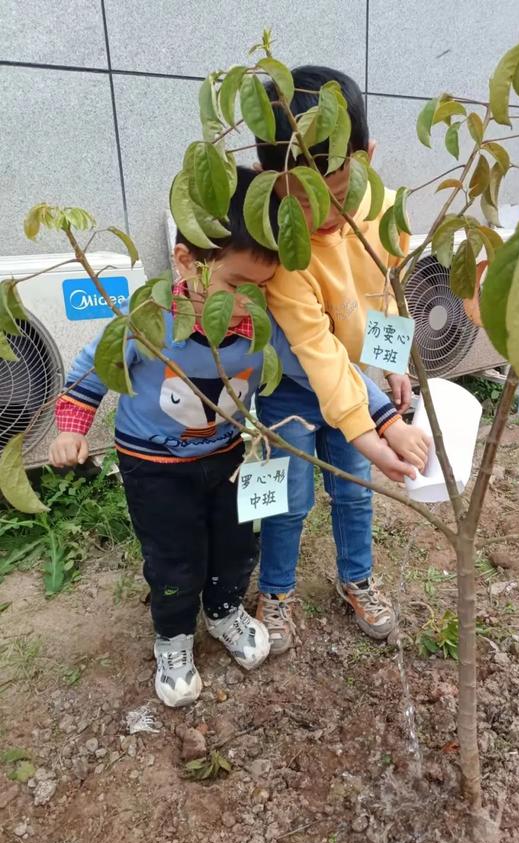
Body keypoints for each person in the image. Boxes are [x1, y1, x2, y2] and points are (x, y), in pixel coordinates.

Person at [48, 167, 425, 706]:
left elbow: (327, 365)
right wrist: (69, 429)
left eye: (262, 291)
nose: (248, 304)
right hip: (154, 467)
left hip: (225, 457)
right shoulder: (147, 319)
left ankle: (225, 611)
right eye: (235, 287)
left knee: (233, 546)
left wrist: (385, 415)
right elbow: (93, 369)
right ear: (185, 261)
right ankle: (173, 639)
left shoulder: (261, 334)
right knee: (174, 558)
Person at [254, 66, 429, 654]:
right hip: (297, 386)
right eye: (295, 195)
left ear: (367, 157)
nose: (316, 213)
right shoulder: (281, 247)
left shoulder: (383, 212)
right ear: (265, 177)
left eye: (331, 190)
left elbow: (387, 293)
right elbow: (317, 352)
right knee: (288, 495)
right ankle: (275, 591)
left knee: (354, 491)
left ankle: (357, 578)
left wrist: (393, 363)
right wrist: (376, 427)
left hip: (355, 385)